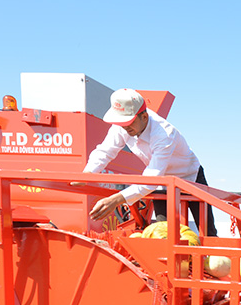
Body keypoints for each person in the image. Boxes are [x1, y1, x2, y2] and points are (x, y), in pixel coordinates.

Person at [83, 88, 217, 234]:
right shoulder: (122, 127)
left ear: (144, 117)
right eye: (121, 122)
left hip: (190, 177)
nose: (125, 127)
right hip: (161, 182)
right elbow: (105, 151)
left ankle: (212, 254)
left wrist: (116, 199)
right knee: (164, 232)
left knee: (207, 231)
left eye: (129, 122)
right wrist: (87, 174)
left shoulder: (164, 134)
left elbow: (151, 178)